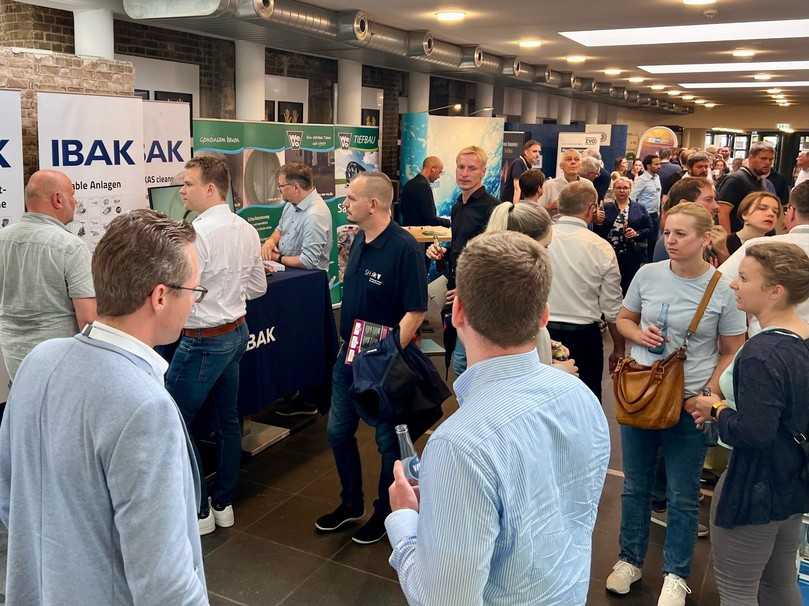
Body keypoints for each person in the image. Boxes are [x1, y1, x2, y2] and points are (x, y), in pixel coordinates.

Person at [385, 231, 610, 605]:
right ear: (543, 316)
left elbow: (444, 600)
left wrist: (404, 520)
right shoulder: (580, 396)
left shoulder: (459, 444)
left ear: (458, 312)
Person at [0, 210, 208, 605]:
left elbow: (9, 494)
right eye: (193, 291)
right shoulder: (144, 406)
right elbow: (165, 583)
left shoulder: (38, 360)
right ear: (160, 296)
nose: (194, 304)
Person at [607, 202, 746, 606]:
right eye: (667, 232)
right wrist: (638, 333)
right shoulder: (648, 274)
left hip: (689, 403)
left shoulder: (721, 288)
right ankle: (629, 560)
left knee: (683, 494)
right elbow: (624, 319)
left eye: (681, 234)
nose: (670, 240)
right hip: (641, 396)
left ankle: (676, 573)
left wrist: (709, 394)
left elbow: (732, 349)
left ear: (705, 238)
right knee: (635, 486)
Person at [692, 242, 809, 606]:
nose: (733, 284)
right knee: (779, 583)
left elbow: (754, 433)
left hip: (754, 486)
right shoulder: (803, 339)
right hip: (793, 481)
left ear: (775, 291)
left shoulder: (762, 353)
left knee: (738, 591)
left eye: (743, 278)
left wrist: (717, 410)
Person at [316, 172, 427, 545]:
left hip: (383, 363)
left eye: (350, 198)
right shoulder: (359, 239)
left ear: (373, 204)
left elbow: (416, 311)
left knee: (386, 442)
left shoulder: (404, 248)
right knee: (337, 431)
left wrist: (387, 356)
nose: (344, 204)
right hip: (348, 355)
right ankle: (350, 504)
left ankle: (385, 512)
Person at [165, 156, 267, 535]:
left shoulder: (196, 235)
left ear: (210, 188)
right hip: (235, 332)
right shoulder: (246, 229)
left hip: (203, 340)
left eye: (188, 184)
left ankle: (199, 508)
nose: (181, 190)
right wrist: (227, 292)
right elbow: (258, 287)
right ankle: (224, 502)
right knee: (227, 420)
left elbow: (181, 294)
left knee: (174, 419)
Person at [0, 170, 96, 382]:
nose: (75, 202)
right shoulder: (71, 246)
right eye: (72, 195)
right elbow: (88, 320)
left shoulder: (3, 238)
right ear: (58, 199)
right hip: (62, 366)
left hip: (15, 361)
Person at [547, 181, 624, 401]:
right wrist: (619, 348)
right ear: (591, 209)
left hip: (543, 333)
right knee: (585, 401)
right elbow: (612, 306)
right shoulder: (601, 247)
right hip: (584, 337)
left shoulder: (541, 240)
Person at [427, 146, 499, 376]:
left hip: (476, 297)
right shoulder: (458, 206)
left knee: (465, 363)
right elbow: (462, 248)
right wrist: (443, 253)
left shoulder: (492, 209)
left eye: (472, 168)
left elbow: (495, 260)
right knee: (456, 358)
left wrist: (469, 289)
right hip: (455, 292)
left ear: (483, 172)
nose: (465, 173)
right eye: (461, 167)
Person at [484, 202, 578, 376]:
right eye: (545, 247)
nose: (547, 255)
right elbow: (507, 368)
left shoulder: (502, 285)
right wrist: (559, 372)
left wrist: (545, 342)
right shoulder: (511, 296)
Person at [719, 181, 809, 335]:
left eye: (776, 211)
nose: (771, 214)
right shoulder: (754, 245)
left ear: (792, 212)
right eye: (762, 208)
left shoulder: (760, 246)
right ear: (744, 213)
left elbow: (719, 285)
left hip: (771, 338)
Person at [260, 162, 332, 271]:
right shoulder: (290, 204)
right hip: (287, 269)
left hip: (307, 276)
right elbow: (280, 229)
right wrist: (270, 242)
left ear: (295, 187)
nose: (279, 190)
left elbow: (308, 261)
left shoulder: (315, 215)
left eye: (281, 186)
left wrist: (278, 258)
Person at [595, 175, 653, 293]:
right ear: (614, 189)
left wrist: (637, 233)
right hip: (609, 254)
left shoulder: (640, 208)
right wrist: (598, 222)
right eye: (619, 188)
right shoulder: (605, 208)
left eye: (625, 188)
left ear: (630, 189)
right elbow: (597, 232)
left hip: (632, 254)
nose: (622, 190)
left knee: (629, 284)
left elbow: (649, 228)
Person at [652, 177, 724, 264]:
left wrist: (721, 250)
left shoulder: (710, 239)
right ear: (685, 204)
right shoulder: (669, 246)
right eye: (708, 200)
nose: (716, 206)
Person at [717, 141, 774, 232]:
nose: (768, 163)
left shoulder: (762, 180)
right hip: (739, 235)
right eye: (763, 158)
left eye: (770, 159)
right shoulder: (736, 179)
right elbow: (722, 212)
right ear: (751, 158)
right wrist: (727, 239)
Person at [399, 156, 450, 228]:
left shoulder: (409, 184)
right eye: (439, 172)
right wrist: (449, 222)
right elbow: (430, 219)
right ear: (433, 169)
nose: (439, 176)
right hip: (420, 232)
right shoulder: (423, 186)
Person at [631, 154, 663, 260]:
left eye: (659, 164)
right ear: (648, 166)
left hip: (655, 215)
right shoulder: (642, 180)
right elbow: (632, 197)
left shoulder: (657, 177)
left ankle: (651, 261)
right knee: (643, 242)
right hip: (645, 215)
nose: (659, 166)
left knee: (653, 241)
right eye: (656, 164)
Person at [500, 139, 541, 203]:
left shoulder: (527, 166)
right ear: (526, 152)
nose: (538, 155)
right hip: (509, 205)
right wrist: (515, 207)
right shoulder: (518, 163)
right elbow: (517, 189)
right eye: (534, 151)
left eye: (539, 152)